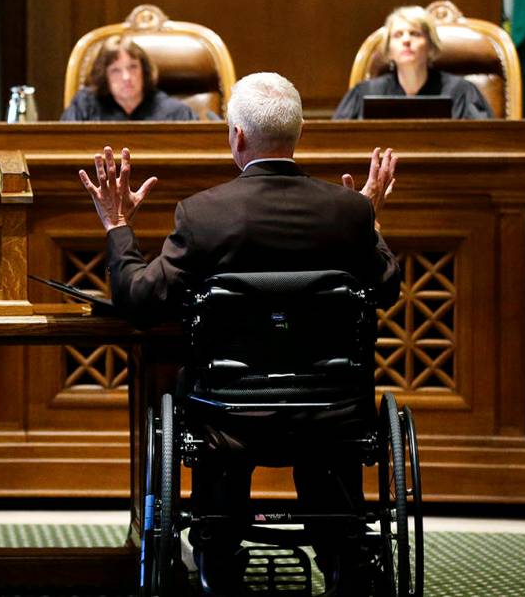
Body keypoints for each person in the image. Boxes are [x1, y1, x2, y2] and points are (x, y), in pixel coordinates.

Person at [79, 72, 400, 596]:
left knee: (203, 391)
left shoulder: (204, 214)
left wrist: (117, 227)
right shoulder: (349, 212)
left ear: (237, 135)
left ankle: (218, 552)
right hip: (332, 413)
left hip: (227, 418)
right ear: (299, 133)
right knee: (327, 408)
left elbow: (139, 301)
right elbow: (386, 288)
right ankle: (344, 554)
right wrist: (372, 226)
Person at [334, 5, 492, 119]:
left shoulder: (462, 92)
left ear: (431, 46)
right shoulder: (364, 93)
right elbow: (339, 144)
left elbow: (485, 142)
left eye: (415, 34)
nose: (406, 40)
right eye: (398, 35)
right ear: (388, 51)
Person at [61, 36, 198, 121]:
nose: (126, 77)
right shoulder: (84, 106)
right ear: (104, 76)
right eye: (116, 70)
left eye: (132, 67)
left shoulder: (176, 112)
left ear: (144, 70)